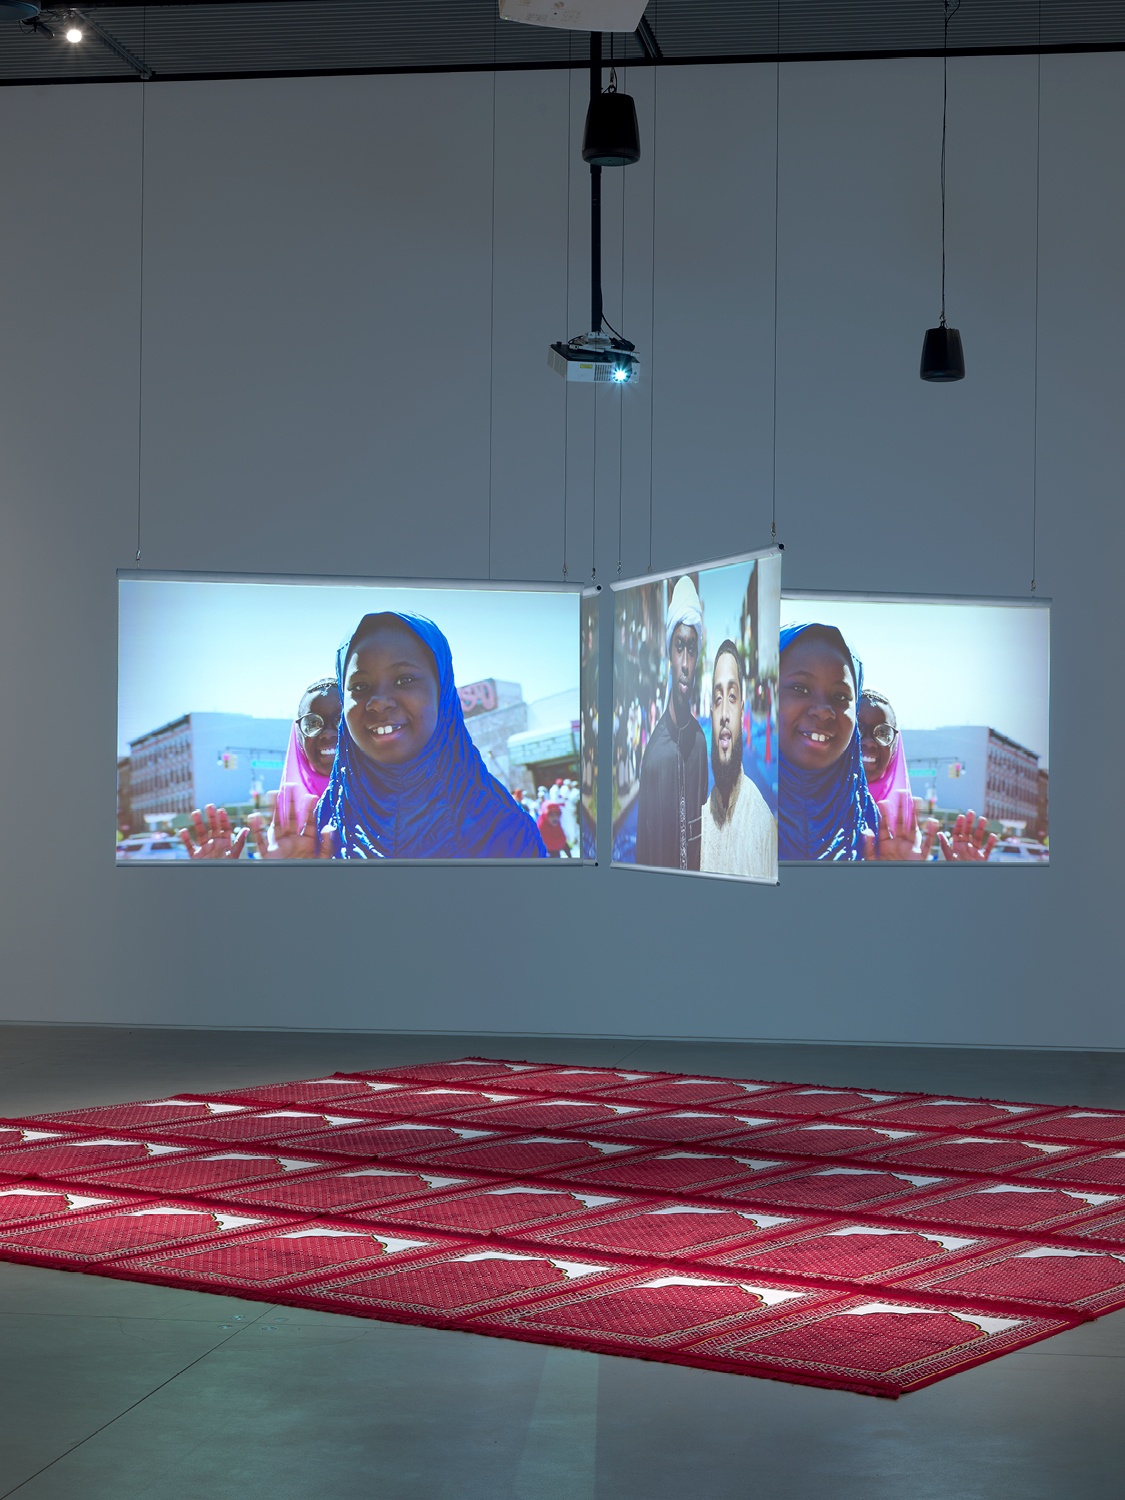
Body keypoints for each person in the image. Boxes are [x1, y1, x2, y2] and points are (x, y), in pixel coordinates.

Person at [257, 611, 546, 860]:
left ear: (442, 693)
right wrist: (292, 887)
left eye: (404, 680)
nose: (379, 701)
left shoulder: (503, 829)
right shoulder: (320, 829)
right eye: (360, 687)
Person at [634, 575, 708, 871]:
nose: (686, 663)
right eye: (680, 647)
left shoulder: (701, 743)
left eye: (692, 649)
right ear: (669, 653)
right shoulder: (654, 755)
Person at [700, 640, 776, 879]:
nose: (724, 714)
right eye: (718, 699)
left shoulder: (764, 828)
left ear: (742, 711)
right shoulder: (697, 824)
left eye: (732, 697)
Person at [272, 677, 341, 838]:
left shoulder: (391, 803)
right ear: (299, 737)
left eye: (341, 720)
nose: (328, 733)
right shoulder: (286, 823)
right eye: (313, 724)